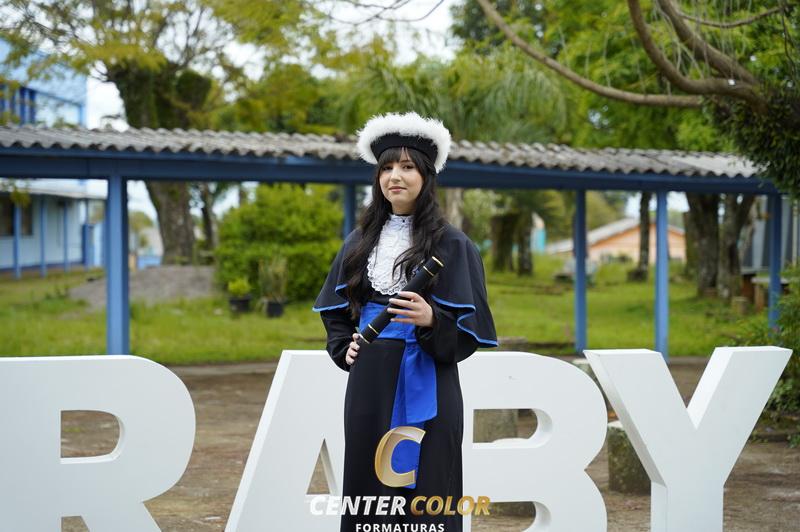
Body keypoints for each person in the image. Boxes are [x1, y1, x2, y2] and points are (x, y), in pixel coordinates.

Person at [312, 111, 498, 532]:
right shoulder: (358, 242)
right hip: (370, 380)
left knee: (429, 479)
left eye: (408, 166)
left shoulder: (454, 244)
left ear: (426, 176)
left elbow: (469, 332)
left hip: (429, 374)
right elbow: (336, 312)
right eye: (387, 168)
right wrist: (344, 346)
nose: (395, 176)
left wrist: (432, 318)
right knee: (368, 480)